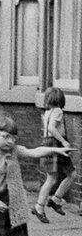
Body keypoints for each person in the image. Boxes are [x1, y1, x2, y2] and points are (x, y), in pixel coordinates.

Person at [33, 87, 76, 222]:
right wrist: (64, 142)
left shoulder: (47, 112)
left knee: (51, 178)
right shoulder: (58, 111)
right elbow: (52, 128)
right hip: (55, 144)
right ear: (60, 99)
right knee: (70, 174)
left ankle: (50, 202)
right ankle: (46, 204)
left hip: (47, 143)